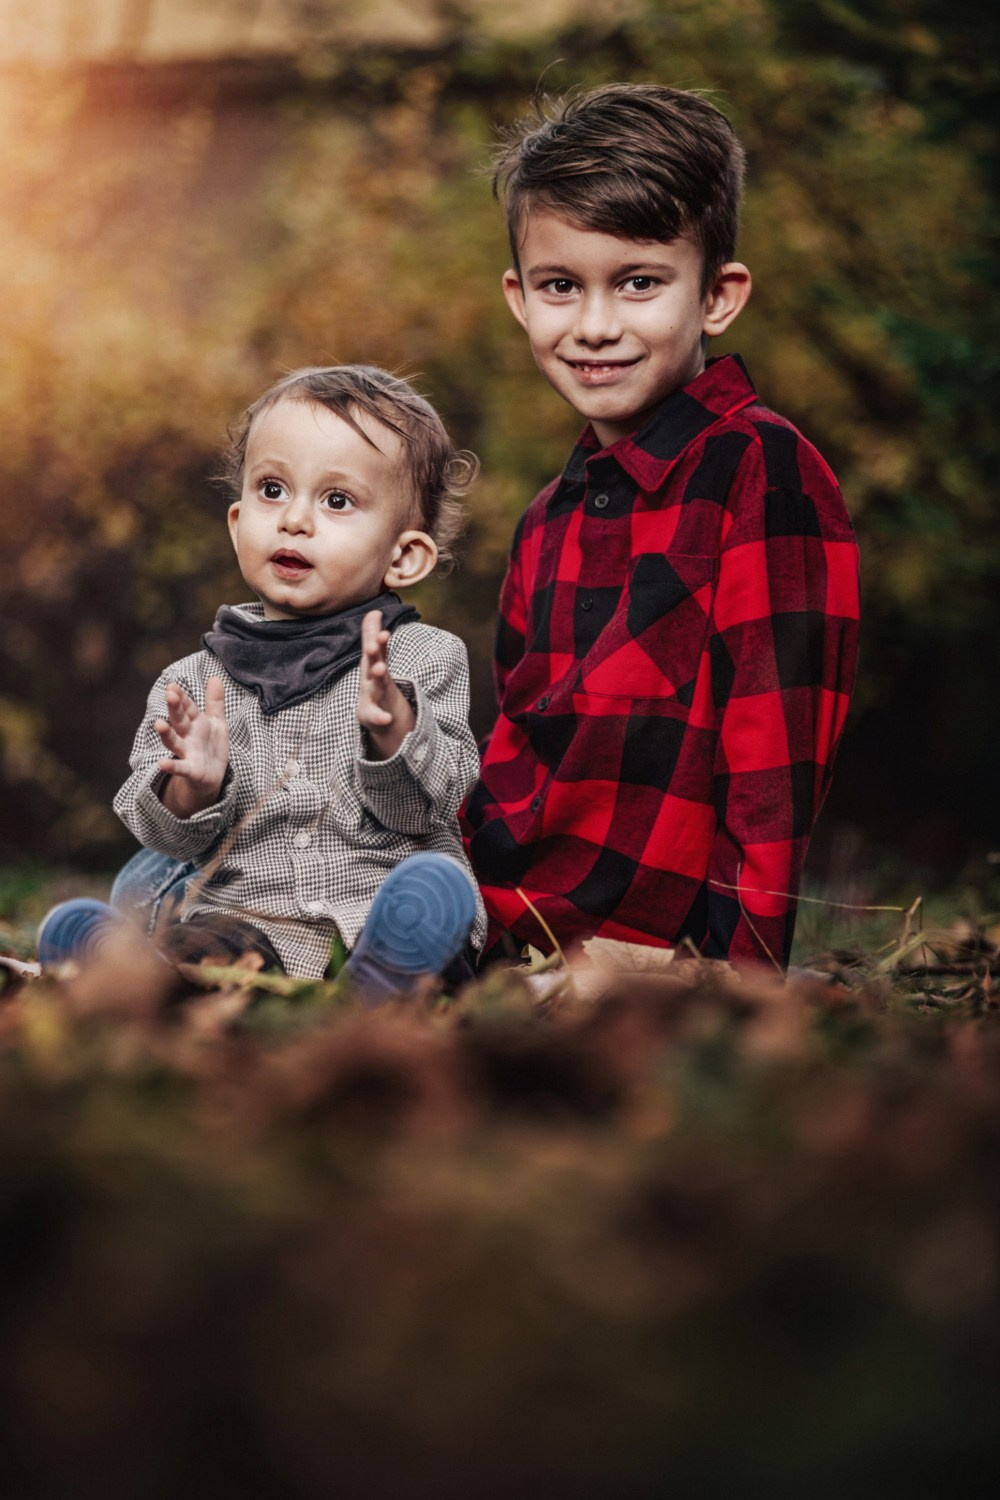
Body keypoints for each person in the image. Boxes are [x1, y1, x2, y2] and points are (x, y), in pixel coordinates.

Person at [462, 83, 861, 971]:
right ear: (521, 298)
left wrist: (725, 980)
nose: (596, 327)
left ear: (717, 297)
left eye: (639, 283)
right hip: (497, 922)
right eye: (561, 286)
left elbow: (773, 767)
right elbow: (516, 753)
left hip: (638, 958)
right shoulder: (546, 518)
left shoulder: (762, 471)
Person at [39, 365, 486, 1000]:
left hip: (371, 913)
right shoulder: (192, 680)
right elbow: (165, 838)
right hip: (249, 921)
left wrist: (394, 732)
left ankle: (384, 979)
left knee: (431, 904)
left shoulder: (421, 658)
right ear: (236, 520)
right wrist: (192, 789)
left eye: (337, 500)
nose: (294, 520)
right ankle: (138, 975)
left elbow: (426, 810)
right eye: (272, 489)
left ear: (403, 556)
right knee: (198, 942)